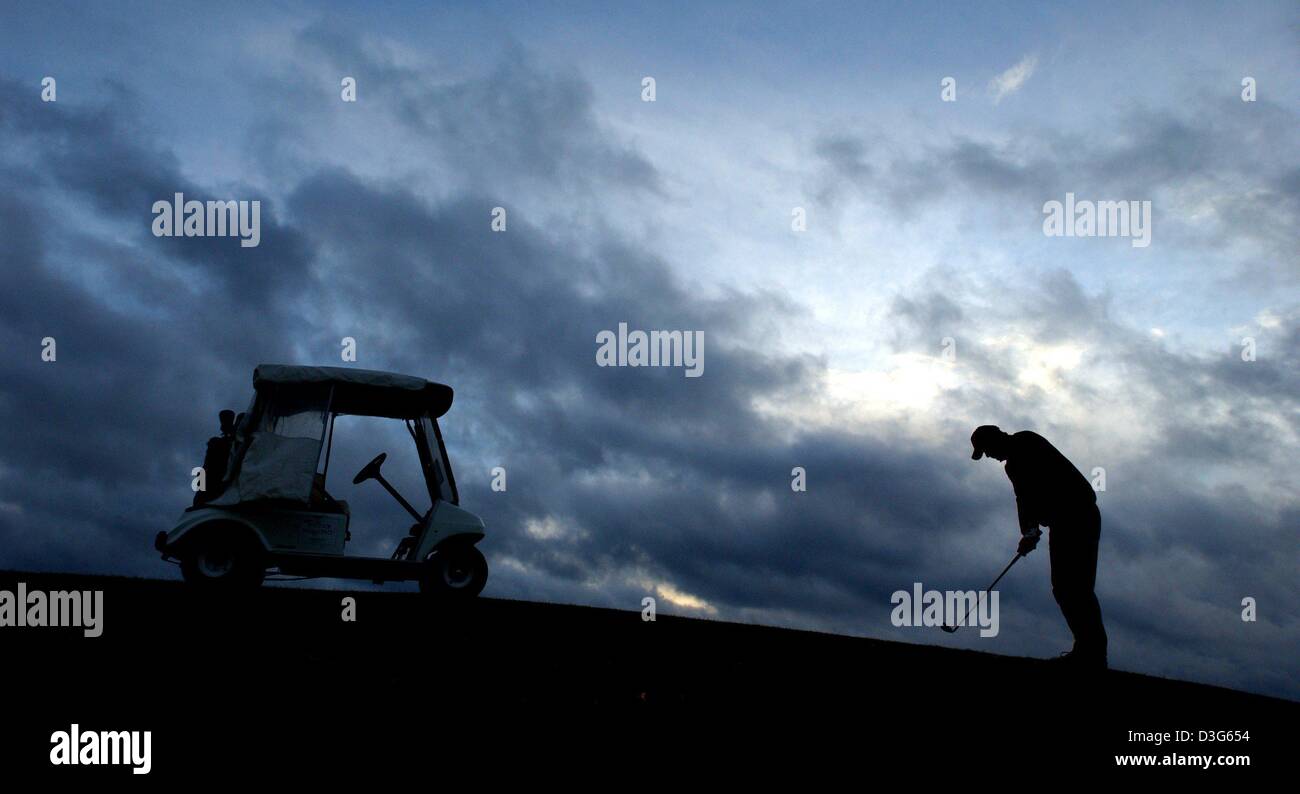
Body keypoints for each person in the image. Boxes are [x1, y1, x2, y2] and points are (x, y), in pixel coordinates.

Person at [970, 425, 1108, 669]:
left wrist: (1031, 531)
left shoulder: (1026, 441)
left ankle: (1091, 654)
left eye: (987, 450)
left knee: (1076, 587)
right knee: (1064, 587)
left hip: (1079, 516)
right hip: (1063, 523)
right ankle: (1087, 650)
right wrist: (1030, 532)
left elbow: (1031, 491)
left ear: (997, 439)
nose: (989, 456)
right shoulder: (1012, 466)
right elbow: (1024, 499)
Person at [193, 410, 236, 506]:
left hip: (218, 480)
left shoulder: (228, 442)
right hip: (212, 480)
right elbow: (207, 464)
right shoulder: (217, 442)